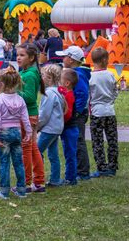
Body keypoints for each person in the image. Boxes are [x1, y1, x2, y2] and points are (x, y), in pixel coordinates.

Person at [0, 67, 32, 199]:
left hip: (4, 134)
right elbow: (25, 119)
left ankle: (4, 191)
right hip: (17, 133)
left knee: (4, 162)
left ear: (2, 84)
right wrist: (29, 133)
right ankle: (21, 190)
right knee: (18, 162)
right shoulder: (20, 100)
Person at [56, 45, 91, 180]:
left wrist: (75, 111)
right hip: (75, 112)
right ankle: (79, 169)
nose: (62, 58)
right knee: (75, 140)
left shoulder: (77, 74)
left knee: (78, 141)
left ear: (71, 60)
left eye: (65, 56)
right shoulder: (74, 72)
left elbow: (82, 94)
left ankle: (82, 171)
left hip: (77, 114)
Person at [16, 43, 46, 193]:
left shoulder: (30, 75)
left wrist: (12, 90)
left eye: (22, 55)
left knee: (26, 149)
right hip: (28, 115)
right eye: (17, 55)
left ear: (32, 57)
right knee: (33, 147)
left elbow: (29, 97)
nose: (18, 58)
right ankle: (39, 182)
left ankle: (26, 183)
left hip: (27, 115)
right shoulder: (26, 73)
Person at [89, 47, 119, 177]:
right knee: (112, 140)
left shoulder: (90, 77)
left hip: (96, 113)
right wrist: (111, 100)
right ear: (104, 60)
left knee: (97, 141)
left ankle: (101, 167)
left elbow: (89, 95)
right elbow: (115, 91)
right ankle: (112, 167)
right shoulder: (110, 74)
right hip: (110, 111)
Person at [37, 64, 65, 187]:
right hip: (57, 128)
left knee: (36, 152)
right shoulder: (58, 93)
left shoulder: (48, 94)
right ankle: (55, 179)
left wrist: (37, 127)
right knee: (53, 155)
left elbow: (44, 114)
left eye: (42, 75)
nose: (40, 77)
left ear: (49, 78)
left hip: (49, 129)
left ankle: (38, 178)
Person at [58, 68, 78, 185]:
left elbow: (68, 114)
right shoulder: (66, 92)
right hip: (68, 129)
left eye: (60, 81)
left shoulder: (69, 96)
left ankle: (71, 178)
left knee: (70, 154)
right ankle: (70, 177)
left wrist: (60, 121)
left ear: (67, 83)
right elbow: (59, 89)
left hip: (69, 129)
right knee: (68, 152)